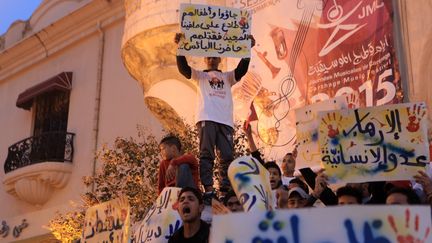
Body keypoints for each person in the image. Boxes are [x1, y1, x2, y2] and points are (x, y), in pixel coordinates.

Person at [174, 33, 256, 194]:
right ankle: (209, 188)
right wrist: (180, 48)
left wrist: (247, 49)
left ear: (220, 60)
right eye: (209, 58)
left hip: (225, 121)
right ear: (205, 60)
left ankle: (225, 188)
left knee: (227, 155)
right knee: (207, 153)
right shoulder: (200, 76)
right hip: (206, 118)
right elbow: (184, 69)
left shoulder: (227, 77)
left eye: (215, 57)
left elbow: (241, 70)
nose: (211, 60)